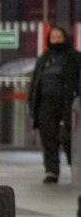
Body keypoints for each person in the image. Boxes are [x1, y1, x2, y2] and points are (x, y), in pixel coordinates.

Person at [27, 25, 80, 183]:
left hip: (67, 103)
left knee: (68, 137)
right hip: (45, 104)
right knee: (48, 137)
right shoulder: (44, 58)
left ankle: (75, 167)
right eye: (53, 37)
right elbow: (36, 82)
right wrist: (32, 102)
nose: (56, 40)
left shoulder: (74, 58)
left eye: (59, 37)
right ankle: (51, 170)